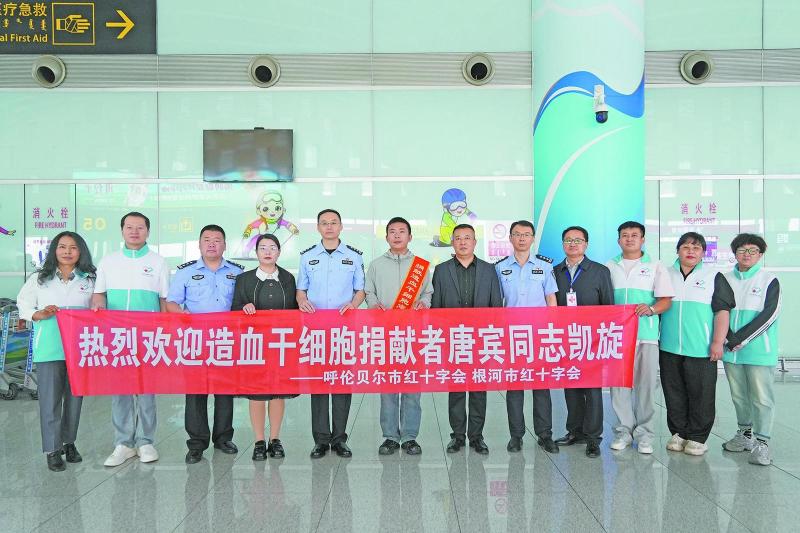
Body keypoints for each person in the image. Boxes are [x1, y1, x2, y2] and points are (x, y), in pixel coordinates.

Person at [92, 212, 169, 467]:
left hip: (148, 337)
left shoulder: (158, 262)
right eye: (129, 227)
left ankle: (146, 441)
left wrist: (164, 333)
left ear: (148, 231)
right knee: (121, 391)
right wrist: (98, 310)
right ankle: (123, 443)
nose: (134, 231)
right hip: (117, 337)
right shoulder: (108, 261)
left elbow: (164, 301)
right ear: (122, 230)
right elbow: (99, 296)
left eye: (140, 227)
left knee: (146, 391)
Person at [16, 231, 95, 471]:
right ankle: (52, 448)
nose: (67, 252)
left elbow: (98, 307)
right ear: (54, 250)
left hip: (79, 348)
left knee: (75, 398)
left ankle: (69, 442)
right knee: (49, 400)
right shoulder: (40, 278)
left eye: (73, 247)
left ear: (81, 251)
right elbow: (23, 303)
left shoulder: (90, 279)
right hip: (50, 347)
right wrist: (37, 314)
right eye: (62, 247)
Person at [166, 224, 244, 464]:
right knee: (196, 393)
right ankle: (196, 443)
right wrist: (182, 317)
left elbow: (244, 302)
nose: (212, 244)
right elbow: (172, 303)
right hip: (196, 341)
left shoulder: (237, 272)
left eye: (217, 240)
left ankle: (223, 438)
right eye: (207, 239)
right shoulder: (185, 272)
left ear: (225, 245)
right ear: (199, 245)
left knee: (225, 391)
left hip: (226, 340)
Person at [297, 209, 366, 459]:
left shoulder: (354, 256)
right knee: (318, 384)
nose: (329, 226)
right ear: (318, 227)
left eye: (333, 222)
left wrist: (354, 304)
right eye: (324, 223)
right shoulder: (307, 257)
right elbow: (301, 290)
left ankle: (339, 439)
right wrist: (302, 301)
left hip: (343, 330)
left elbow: (360, 291)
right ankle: (320, 440)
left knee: (341, 383)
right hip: (315, 331)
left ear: (341, 226)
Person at [432, 224, 502, 455]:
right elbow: (436, 307)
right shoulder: (441, 270)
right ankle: (458, 436)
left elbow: (496, 305)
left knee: (478, 388)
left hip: (481, 340)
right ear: (452, 242)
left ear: (474, 242)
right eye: (458, 238)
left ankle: (477, 436)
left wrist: (493, 335)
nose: (463, 242)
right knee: (456, 388)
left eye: (467, 238)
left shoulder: (488, 270)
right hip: (453, 340)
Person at [365, 217, 433, 456]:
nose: (396, 235)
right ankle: (390, 437)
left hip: (413, 335)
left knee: (412, 388)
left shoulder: (420, 266)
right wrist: (373, 304)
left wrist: (424, 302)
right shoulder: (375, 265)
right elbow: (369, 292)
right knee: (388, 388)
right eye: (392, 231)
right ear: (386, 237)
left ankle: (410, 437)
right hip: (386, 335)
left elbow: (428, 293)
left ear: (410, 237)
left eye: (401, 231)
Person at [713, 233, 781, 466]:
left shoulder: (769, 280)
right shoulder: (724, 278)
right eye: (742, 250)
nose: (747, 254)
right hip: (731, 350)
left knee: (761, 398)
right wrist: (729, 338)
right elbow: (719, 309)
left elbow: (770, 314)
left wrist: (740, 338)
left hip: (758, 350)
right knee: (739, 396)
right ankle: (745, 434)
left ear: (760, 254)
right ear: (734, 253)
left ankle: (763, 443)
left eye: (753, 250)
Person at [607, 221, 674, 454]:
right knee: (619, 386)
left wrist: (652, 309)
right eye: (625, 235)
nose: (629, 239)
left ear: (643, 239)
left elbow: (666, 300)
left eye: (634, 235)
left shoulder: (655, 266)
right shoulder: (609, 266)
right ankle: (623, 432)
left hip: (646, 336)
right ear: (618, 240)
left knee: (646, 386)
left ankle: (645, 434)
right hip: (616, 337)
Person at [232, 233, 300, 460]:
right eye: (263, 247)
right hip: (255, 344)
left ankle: (275, 439)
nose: (268, 251)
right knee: (257, 393)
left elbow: (294, 311)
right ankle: (259, 441)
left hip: (281, 345)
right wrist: (244, 307)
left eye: (272, 247)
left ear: (279, 252)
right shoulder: (244, 279)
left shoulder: (288, 278)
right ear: (256, 252)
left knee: (279, 392)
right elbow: (235, 309)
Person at [494, 220, 559, 454]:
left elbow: (551, 299)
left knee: (541, 386)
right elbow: (497, 303)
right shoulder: (500, 267)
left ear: (532, 238)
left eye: (526, 234)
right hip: (512, 337)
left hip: (539, 335)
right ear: (510, 238)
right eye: (517, 234)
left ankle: (545, 434)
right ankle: (516, 436)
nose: (521, 238)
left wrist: (552, 331)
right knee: (515, 386)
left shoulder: (544, 266)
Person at [659, 232, 728, 456]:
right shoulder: (664, 274)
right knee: (673, 391)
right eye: (686, 247)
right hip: (669, 347)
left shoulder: (714, 276)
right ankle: (679, 433)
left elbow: (722, 311)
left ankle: (698, 437)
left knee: (701, 393)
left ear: (703, 253)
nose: (691, 251)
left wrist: (718, 341)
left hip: (701, 348)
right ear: (677, 250)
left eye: (696, 248)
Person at [552, 226, 614, 458]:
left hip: (592, 339)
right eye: (568, 240)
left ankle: (593, 437)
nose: (573, 244)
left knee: (592, 389)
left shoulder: (599, 271)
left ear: (586, 244)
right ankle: (574, 431)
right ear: (562, 244)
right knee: (571, 386)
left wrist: (603, 338)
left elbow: (608, 306)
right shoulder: (555, 271)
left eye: (578, 240)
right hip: (565, 339)